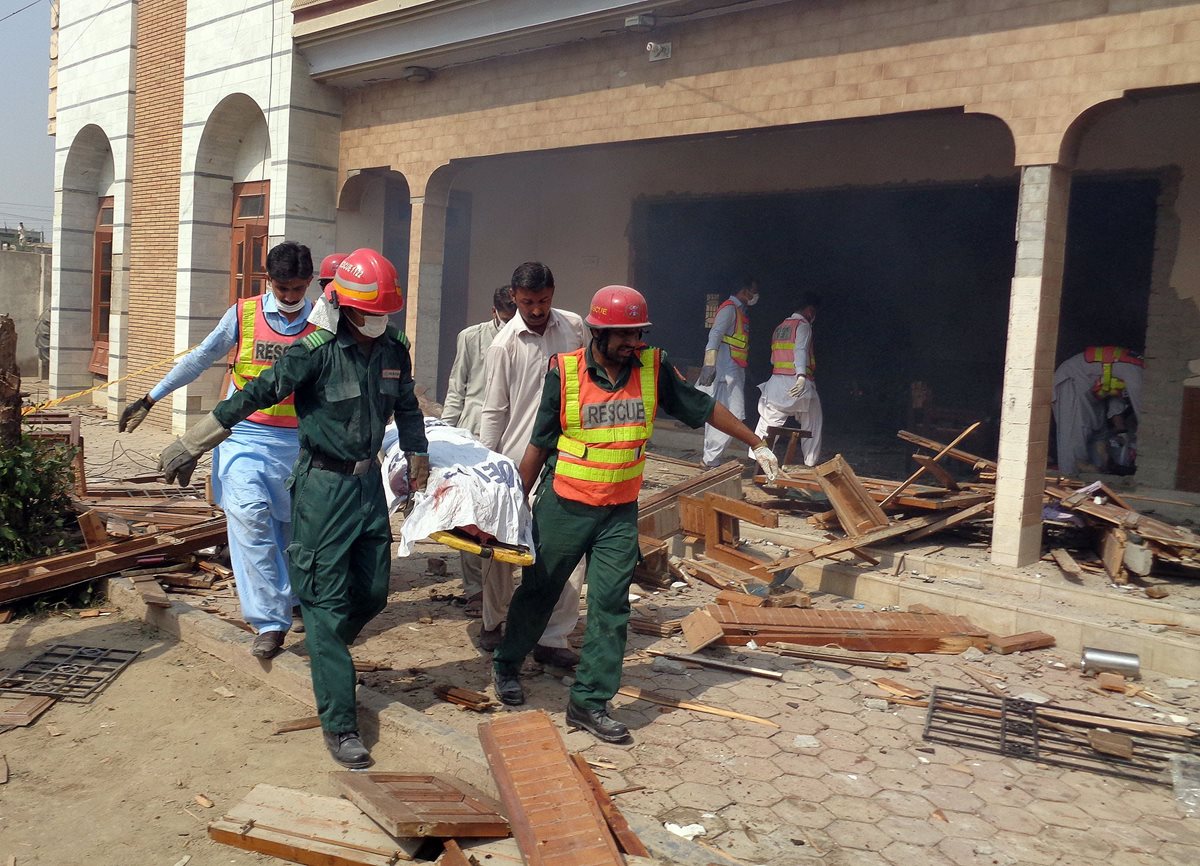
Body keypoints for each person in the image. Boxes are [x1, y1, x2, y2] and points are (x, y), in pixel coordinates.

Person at [158, 248, 429, 769]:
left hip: (368, 487)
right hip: (322, 488)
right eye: (369, 313)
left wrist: (417, 452)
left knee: (372, 591)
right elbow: (256, 392)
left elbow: (408, 405)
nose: (378, 321)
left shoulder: (394, 347)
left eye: (384, 312)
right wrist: (195, 441)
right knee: (323, 605)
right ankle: (341, 724)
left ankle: (327, 653)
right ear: (345, 306)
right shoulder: (314, 350)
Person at [492, 285, 781, 742]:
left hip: (618, 513)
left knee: (611, 605)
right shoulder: (565, 373)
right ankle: (508, 663)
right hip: (564, 506)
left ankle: (589, 703)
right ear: (598, 332)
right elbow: (539, 443)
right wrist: (510, 511)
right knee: (540, 591)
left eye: (638, 333)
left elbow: (703, 406)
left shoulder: (653, 368)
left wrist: (756, 443)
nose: (634, 343)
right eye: (624, 335)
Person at [120, 241, 317, 659]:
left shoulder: (322, 323)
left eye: (298, 289)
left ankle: (293, 599)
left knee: (289, 531)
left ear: (310, 283)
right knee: (249, 520)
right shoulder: (244, 315)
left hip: (298, 445)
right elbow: (200, 358)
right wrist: (151, 398)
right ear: (269, 280)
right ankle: (269, 622)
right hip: (243, 436)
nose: (289, 297)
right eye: (282, 288)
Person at [477, 262, 587, 667]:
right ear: (514, 297)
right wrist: (486, 469)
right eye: (527, 302)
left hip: (567, 456)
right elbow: (494, 411)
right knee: (503, 548)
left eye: (543, 300)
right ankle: (494, 621)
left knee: (569, 549)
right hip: (516, 459)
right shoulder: (503, 345)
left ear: (553, 293)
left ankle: (554, 637)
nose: (537, 309)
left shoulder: (574, 327)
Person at [442, 286, 518, 616]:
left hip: (512, 436)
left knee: (505, 513)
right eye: (505, 318)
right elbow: (456, 389)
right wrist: (445, 433)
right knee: (470, 515)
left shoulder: (530, 338)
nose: (511, 324)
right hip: (473, 434)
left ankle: (499, 590)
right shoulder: (471, 338)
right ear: (494, 312)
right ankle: (475, 589)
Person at [752, 292, 822, 467]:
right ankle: (810, 463)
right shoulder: (803, 326)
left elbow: (773, 358)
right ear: (809, 310)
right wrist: (801, 376)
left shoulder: (780, 327)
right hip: (798, 384)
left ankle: (757, 460)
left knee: (768, 424)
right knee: (813, 422)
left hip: (776, 384)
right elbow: (800, 350)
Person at [1052, 346, 1144, 475]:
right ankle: (1071, 480)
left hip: (1093, 391)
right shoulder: (1137, 373)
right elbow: (1146, 417)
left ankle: (1098, 476)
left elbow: (1117, 397)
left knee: (1099, 434)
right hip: (1073, 381)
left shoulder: (1132, 368)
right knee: (1075, 439)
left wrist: (1122, 431)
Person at [697, 277, 759, 467]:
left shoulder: (739, 311)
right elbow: (715, 334)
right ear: (744, 290)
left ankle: (711, 459)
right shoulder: (729, 309)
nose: (755, 295)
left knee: (726, 415)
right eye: (753, 290)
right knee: (729, 416)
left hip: (733, 370)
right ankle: (711, 459)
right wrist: (709, 364)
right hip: (725, 373)